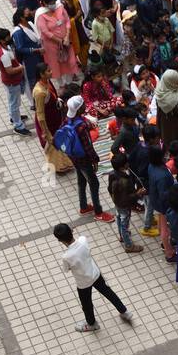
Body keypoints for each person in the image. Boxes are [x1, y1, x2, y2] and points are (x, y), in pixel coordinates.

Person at [53, 223, 134, 333]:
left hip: (83, 283)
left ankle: (92, 324)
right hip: (96, 274)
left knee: (87, 304)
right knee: (109, 293)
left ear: (60, 241)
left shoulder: (66, 256)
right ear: (71, 231)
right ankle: (124, 312)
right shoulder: (83, 240)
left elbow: (66, 270)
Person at [57, 95, 114, 223]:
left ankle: (83, 206)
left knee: (81, 179)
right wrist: (95, 159)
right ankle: (98, 212)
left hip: (73, 156)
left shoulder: (67, 120)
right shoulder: (81, 127)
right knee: (94, 183)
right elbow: (87, 146)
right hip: (84, 159)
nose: (85, 106)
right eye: (83, 105)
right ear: (79, 109)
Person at [32, 62, 73, 175]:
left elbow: (53, 96)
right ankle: (58, 167)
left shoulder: (47, 82)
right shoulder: (39, 92)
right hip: (47, 122)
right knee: (53, 145)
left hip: (55, 117)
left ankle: (65, 163)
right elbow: (40, 115)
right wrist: (46, 132)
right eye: (48, 71)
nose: (51, 72)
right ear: (41, 74)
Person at [0, 28, 31, 136]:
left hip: (11, 81)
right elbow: (9, 71)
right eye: (8, 37)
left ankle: (14, 117)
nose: (10, 38)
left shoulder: (4, 47)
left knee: (13, 101)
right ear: (2, 40)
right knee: (14, 103)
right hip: (11, 82)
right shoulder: (3, 54)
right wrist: (21, 67)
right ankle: (18, 126)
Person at [106, 151, 145, 254]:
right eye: (127, 162)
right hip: (124, 205)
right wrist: (138, 194)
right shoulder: (124, 181)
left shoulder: (112, 175)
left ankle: (122, 236)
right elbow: (126, 198)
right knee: (124, 223)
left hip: (117, 203)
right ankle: (128, 245)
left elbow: (109, 189)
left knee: (119, 218)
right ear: (123, 166)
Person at [144, 145, 176, 259]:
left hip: (155, 199)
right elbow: (164, 194)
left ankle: (165, 245)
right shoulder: (162, 175)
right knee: (164, 228)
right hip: (163, 204)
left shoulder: (151, 166)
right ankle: (169, 252)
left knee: (161, 223)